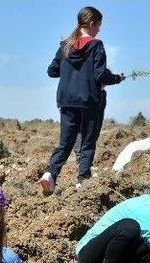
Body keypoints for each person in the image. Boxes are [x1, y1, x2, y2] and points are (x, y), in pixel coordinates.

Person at [39, 6, 125, 195]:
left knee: (65, 142)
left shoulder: (65, 45)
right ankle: (82, 180)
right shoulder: (96, 45)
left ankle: (50, 174)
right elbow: (100, 75)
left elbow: (52, 71)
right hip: (88, 100)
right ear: (92, 24)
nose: (99, 30)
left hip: (66, 99)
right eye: (99, 26)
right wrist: (117, 78)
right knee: (87, 141)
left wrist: (70, 71)